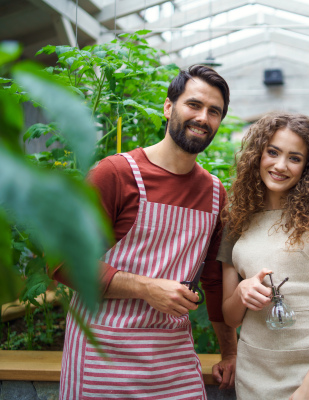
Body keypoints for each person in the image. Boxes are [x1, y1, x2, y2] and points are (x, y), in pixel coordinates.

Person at [51, 65, 237, 400]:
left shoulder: (214, 192)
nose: (203, 118)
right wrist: (145, 287)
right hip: (101, 356)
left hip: (172, 358)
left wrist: (230, 353)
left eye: (214, 111)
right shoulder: (116, 174)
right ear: (168, 107)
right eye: (193, 104)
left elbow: (213, 278)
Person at [218, 112, 309, 399]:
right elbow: (230, 317)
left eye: (294, 158)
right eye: (272, 152)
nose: (280, 165)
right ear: (258, 154)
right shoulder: (237, 220)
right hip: (255, 369)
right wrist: (242, 292)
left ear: (308, 166)